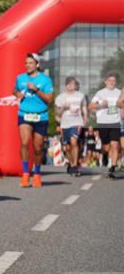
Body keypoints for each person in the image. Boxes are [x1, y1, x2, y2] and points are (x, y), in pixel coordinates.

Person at [14, 53, 54, 187]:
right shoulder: (20, 78)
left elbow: (49, 100)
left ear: (37, 64)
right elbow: (15, 90)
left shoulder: (45, 80)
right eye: (26, 63)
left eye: (30, 63)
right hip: (24, 114)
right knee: (25, 143)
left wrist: (36, 90)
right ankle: (25, 173)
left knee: (38, 148)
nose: (27, 65)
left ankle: (36, 173)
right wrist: (17, 94)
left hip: (41, 115)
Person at [89, 72, 121, 179]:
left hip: (115, 122)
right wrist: (101, 105)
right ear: (105, 82)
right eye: (110, 81)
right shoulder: (100, 93)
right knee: (106, 147)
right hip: (103, 123)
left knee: (115, 145)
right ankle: (106, 156)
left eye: (114, 81)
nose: (112, 82)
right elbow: (90, 106)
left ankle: (112, 168)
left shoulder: (120, 93)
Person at [55, 76, 88, 176]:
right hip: (65, 124)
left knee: (74, 142)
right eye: (69, 84)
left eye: (73, 84)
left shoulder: (80, 95)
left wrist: (85, 118)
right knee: (67, 148)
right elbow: (57, 114)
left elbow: (84, 107)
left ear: (75, 85)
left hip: (76, 123)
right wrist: (63, 108)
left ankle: (74, 166)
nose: (71, 85)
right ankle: (71, 162)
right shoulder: (60, 97)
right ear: (66, 85)